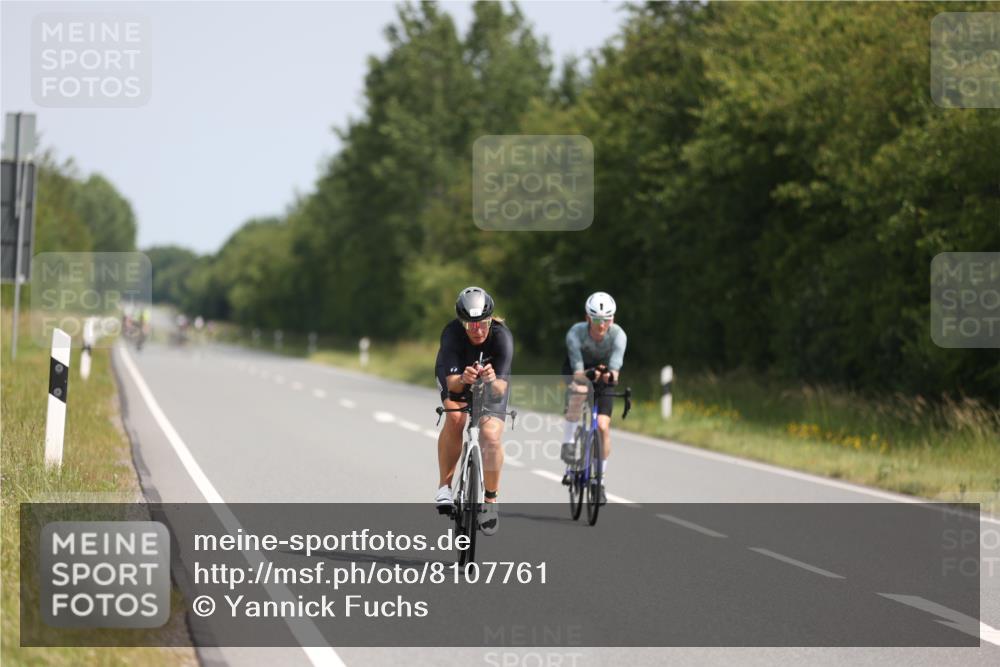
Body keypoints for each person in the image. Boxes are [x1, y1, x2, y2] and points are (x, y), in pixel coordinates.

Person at [434, 286, 513, 536]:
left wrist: (490, 380)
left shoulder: (502, 337)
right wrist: (465, 378)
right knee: (456, 418)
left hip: (493, 387)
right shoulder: (452, 334)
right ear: (461, 322)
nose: (477, 330)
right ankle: (444, 487)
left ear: (491, 319)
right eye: (470, 325)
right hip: (456, 379)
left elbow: (500, 389)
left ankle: (490, 502)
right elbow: (453, 383)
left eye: (482, 323)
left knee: (490, 436)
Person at [560, 291, 627, 505]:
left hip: (604, 377)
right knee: (579, 393)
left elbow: (615, 371)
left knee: (603, 426)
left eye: (607, 319)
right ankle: (569, 444)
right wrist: (588, 375)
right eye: (597, 319)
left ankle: (600, 480)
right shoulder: (575, 333)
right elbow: (578, 371)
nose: (602, 325)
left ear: (612, 319)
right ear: (588, 318)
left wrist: (608, 375)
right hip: (578, 370)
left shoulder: (618, 335)